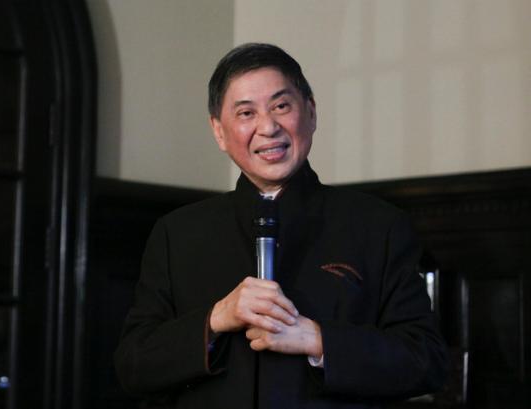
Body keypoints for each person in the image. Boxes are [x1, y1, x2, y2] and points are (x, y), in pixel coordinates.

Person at [114, 43, 448, 409]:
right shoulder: (177, 233)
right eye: (246, 113)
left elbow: (426, 360)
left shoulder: (378, 225)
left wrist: (318, 340)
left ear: (311, 112)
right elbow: (134, 366)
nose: (268, 127)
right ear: (219, 131)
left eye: (281, 106)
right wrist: (217, 318)